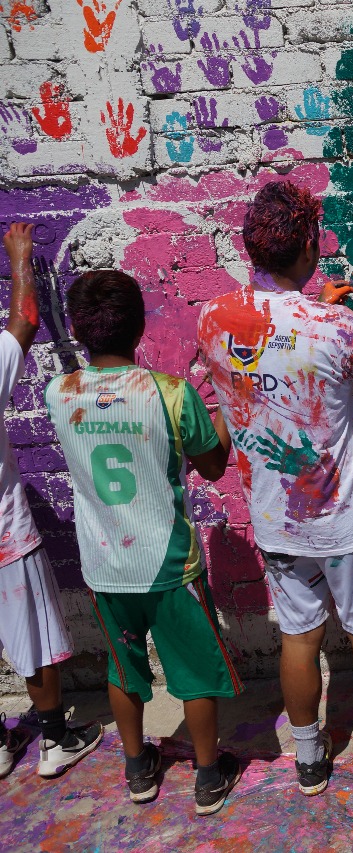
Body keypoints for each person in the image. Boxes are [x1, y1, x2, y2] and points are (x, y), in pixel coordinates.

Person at [196, 180, 353, 796]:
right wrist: (326, 311)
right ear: (307, 249)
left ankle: (309, 758)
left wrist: (311, 308)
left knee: (300, 639)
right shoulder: (340, 329)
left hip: (276, 520)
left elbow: (268, 345)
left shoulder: (212, 319)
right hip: (345, 516)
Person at [45, 270, 242, 813]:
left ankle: (137, 769)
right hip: (169, 562)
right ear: (139, 326)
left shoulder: (58, 393)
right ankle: (207, 776)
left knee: (122, 669)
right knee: (195, 671)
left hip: (105, 563)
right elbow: (213, 464)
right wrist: (222, 411)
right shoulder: (171, 393)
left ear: (81, 333)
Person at [0, 223, 102, 780]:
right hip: (6, 534)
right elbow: (25, 321)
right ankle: (56, 739)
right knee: (30, 633)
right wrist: (20, 259)